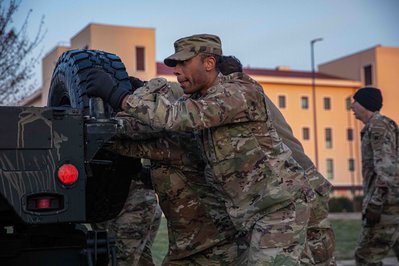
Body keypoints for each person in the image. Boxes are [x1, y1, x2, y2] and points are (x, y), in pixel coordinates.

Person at [87, 33, 315, 265]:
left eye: (183, 63)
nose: (176, 71)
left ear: (209, 63)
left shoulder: (239, 92)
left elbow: (177, 117)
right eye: (175, 65)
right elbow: (161, 137)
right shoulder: (197, 101)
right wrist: (100, 130)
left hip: (279, 207)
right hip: (246, 216)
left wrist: (118, 95)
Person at [218, 55, 336, 266]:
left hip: (300, 181)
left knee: (310, 256)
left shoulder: (239, 98)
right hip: (308, 178)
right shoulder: (254, 93)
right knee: (317, 255)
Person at [350, 87, 399, 265]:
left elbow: (387, 168)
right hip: (391, 204)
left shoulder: (378, 126)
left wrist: (376, 203)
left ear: (365, 104)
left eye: (355, 101)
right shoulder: (375, 126)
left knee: (366, 257)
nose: (352, 106)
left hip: (386, 207)